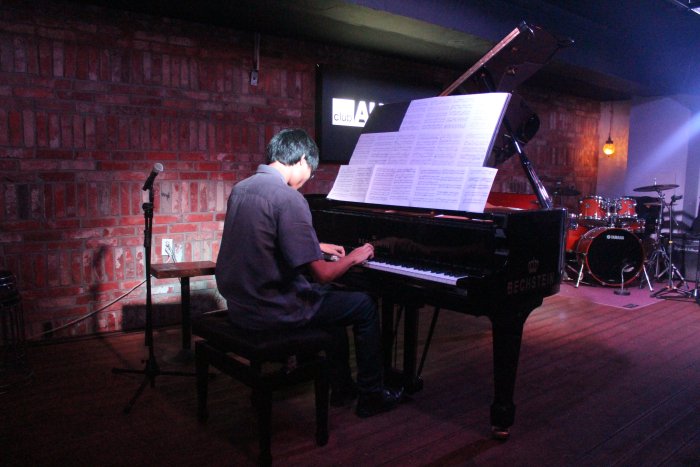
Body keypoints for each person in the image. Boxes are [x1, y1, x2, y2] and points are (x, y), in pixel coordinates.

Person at [215, 128, 402, 418]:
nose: (308, 179)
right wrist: (353, 257)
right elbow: (323, 274)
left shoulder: (242, 189)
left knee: (332, 303)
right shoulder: (289, 198)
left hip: (243, 306)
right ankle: (372, 395)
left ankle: (342, 388)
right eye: (311, 172)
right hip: (274, 310)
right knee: (363, 304)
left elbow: (263, 240)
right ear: (302, 159)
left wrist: (316, 245)